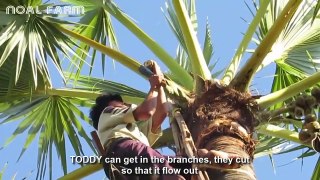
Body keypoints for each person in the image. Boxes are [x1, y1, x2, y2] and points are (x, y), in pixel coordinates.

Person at [90, 61, 186, 180]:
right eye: (121, 103)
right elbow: (147, 111)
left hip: (134, 164)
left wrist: (160, 83)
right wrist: (154, 86)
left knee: (190, 164)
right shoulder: (107, 112)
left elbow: (161, 113)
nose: (125, 105)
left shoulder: (134, 131)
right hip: (125, 151)